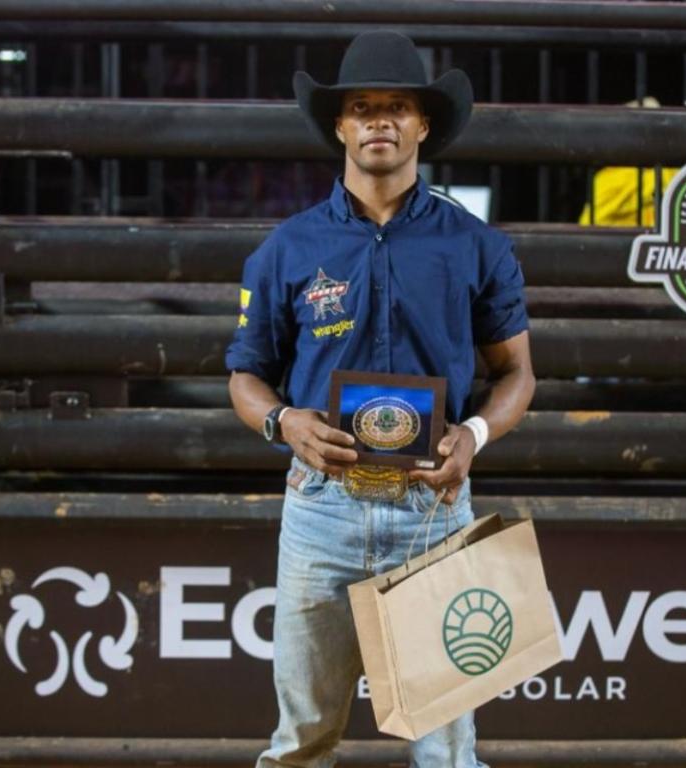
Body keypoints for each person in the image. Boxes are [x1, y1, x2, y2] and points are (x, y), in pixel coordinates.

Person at [225, 30, 534, 768]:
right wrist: (282, 420)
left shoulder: (476, 246)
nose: (379, 122)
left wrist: (475, 436)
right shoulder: (288, 250)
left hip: (433, 509)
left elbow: (518, 374)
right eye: (362, 108)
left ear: (424, 124)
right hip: (322, 509)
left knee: (447, 750)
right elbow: (244, 375)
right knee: (302, 740)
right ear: (339, 125)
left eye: (397, 108)